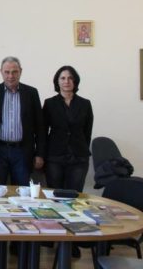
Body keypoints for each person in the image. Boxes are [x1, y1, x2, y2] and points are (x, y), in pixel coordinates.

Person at [0, 56, 45, 257]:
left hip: (22, 151)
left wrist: (39, 153)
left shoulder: (31, 93)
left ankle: (18, 239)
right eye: (7, 72)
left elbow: (40, 126)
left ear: (21, 72)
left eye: (14, 72)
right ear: (1, 72)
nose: (11, 75)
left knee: (22, 196)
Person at [43, 65, 94, 259]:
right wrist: (42, 154)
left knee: (73, 200)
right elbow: (43, 132)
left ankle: (71, 241)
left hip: (78, 158)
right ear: (57, 81)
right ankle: (52, 234)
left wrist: (80, 150)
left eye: (70, 78)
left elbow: (87, 132)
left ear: (75, 81)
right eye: (63, 78)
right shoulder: (49, 103)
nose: (66, 81)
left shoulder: (85, 104)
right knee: (54, 198)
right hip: (55, 156)